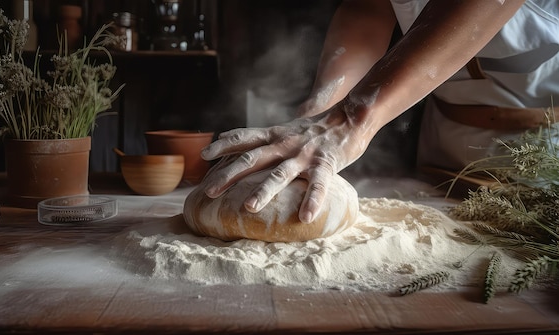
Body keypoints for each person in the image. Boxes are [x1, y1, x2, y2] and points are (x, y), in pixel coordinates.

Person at [200, 0, 559, 224]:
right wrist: (318, 113)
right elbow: (368, 11)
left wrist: (349, 122)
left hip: (543, 154)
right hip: (446, 142)